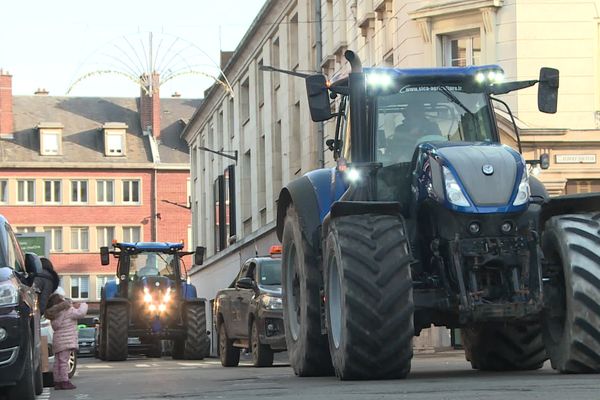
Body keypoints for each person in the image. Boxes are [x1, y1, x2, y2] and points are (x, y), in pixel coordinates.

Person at [45, 293, 88, 390]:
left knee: (58, 362)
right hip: (67, 341)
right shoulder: (68, 310)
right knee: (64, 362)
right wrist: (83, 304)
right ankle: (65, 381)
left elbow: (55, 326)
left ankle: (57, 382)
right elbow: (81, 313)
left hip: (58, 340)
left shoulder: (54, 314)